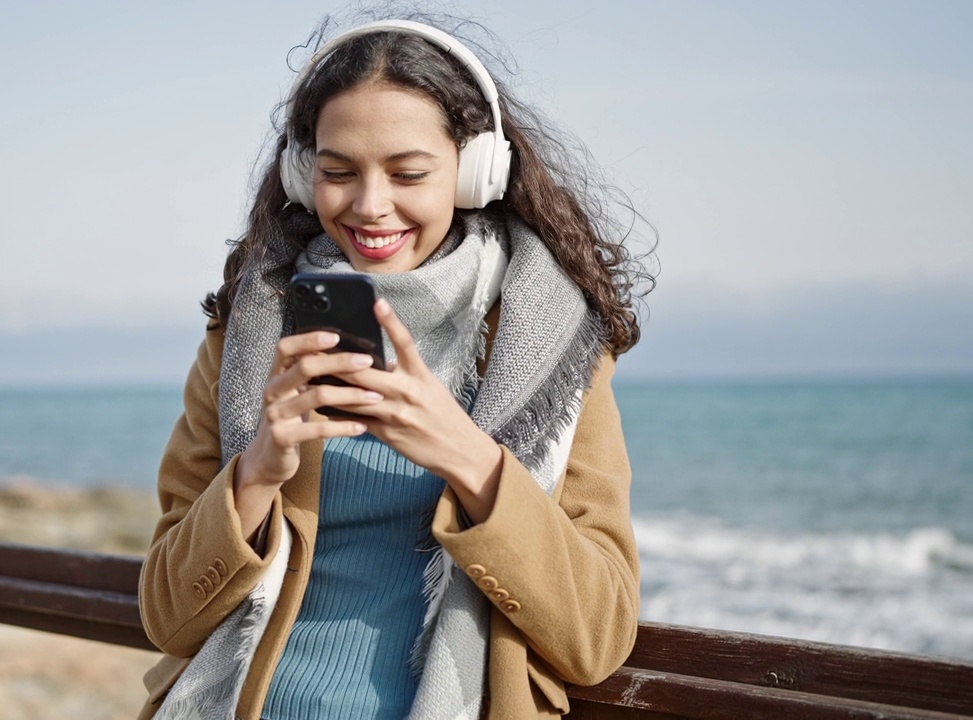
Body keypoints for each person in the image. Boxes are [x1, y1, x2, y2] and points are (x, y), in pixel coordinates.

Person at [139, 10, 651, 720]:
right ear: (300, 172)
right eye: (338, 172)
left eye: (408, 172)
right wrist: (257, 471)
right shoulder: (246, 335)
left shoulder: (553, 346)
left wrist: (467, 455)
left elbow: (597, 637)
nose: (370, 206)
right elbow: (165, 616)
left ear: (476, 171)